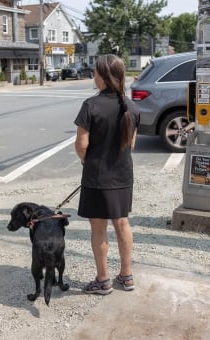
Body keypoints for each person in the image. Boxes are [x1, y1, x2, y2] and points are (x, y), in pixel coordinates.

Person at [74, 54, 140, 295]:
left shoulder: (91, 106)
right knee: (122, 223)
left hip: (97, 178)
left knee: (98, 229)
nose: (94, 75)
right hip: (123, 175)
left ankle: (103, 280)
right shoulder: (132, 107)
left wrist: (87, 162)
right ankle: (126, 275)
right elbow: (131, 144)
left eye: (95, 72)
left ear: (102, 76)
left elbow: (81, 145)